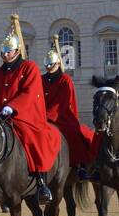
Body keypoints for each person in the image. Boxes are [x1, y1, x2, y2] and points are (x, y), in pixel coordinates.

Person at [0, 14, 59, 203]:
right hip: (0, 116)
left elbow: (30, 94)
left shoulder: (30, 68)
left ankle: (41, 181)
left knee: (33, 138)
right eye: (3, 50)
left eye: (8, 50)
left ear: (18, 50)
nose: (5, 54)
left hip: (24, 116)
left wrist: (12, 107)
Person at [41, 34, 96, 182]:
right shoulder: (41, 79)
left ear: (58, 63)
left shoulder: (65, 80)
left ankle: (80, 165)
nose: (48, 68)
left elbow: (62, 103)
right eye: (47, 65)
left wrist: (46, 115)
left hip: (62, 117)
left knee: (73, 133)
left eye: (51, 65)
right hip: (43, 117)